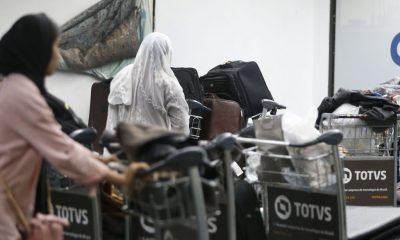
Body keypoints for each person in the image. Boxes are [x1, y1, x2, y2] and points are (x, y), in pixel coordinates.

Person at [0, 13, 146, 239]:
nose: (57, 55)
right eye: (55, 47)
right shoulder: (24, 97)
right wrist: (119, 178)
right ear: (37, 51)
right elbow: (63, 151)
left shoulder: (12, 87)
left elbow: (62, 143)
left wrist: (101, 161)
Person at [106, 32, 190, 134]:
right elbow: (181, 126)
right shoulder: (168, 84)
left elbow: (112, 118)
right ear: (166, 53)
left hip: (125, 145)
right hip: (154, 147)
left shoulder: (123, 75)